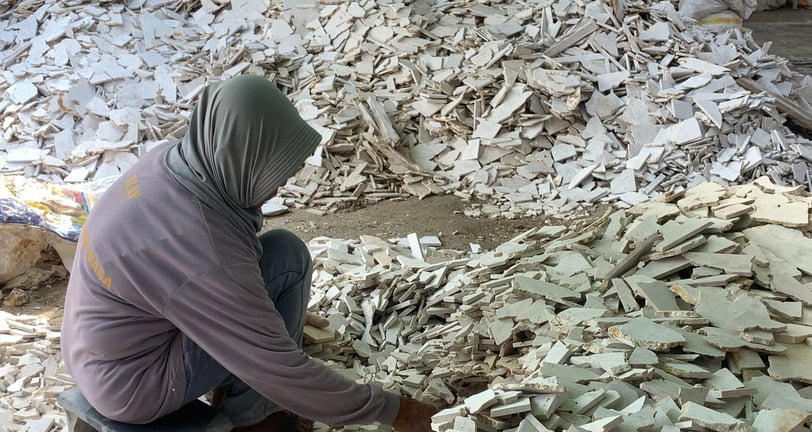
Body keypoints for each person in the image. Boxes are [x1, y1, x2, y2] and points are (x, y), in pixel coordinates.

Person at [61, 75, 437, 432]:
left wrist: (248, 306)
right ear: (241, 156)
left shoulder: (174, 162)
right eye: (273, 169)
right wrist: (398, 411)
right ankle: (255, 420)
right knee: (266, 349)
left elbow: (188, 274)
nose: (283, 182)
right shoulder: (199, 245)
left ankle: (235, 395)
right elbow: (279, 370)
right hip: (133, 386)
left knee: (286, 256)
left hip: (93, 349)